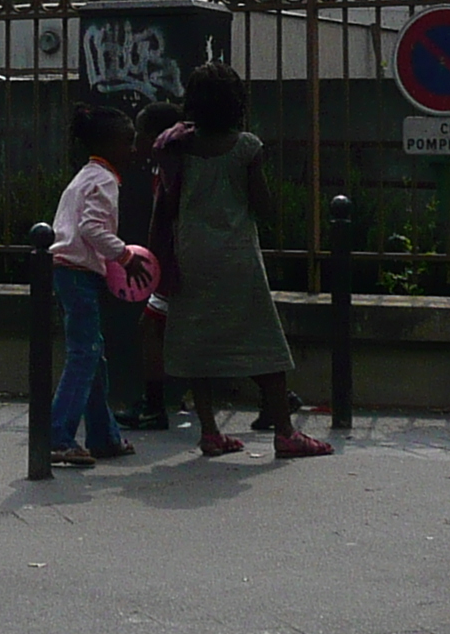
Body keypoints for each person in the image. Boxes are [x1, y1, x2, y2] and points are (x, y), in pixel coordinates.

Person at [154, 63, 330, 459]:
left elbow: (167, 201)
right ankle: (285, 431)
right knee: (262, 336)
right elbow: (262, 205)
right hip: (236, 255)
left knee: (197, 339)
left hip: (190, 252)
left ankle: (211, 432)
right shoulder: (246, 147)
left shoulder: (179, 147)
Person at [46, 105, 140, 467]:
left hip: (65, 270)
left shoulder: (85, 175)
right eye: (128, 143)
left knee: (92, 354)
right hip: (79, 272)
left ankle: (103, 436)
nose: (133, 150)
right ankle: (57, 436)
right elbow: (92, 229)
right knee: (84, 354)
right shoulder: (103, 181)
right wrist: (124, 256)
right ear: (111, 145)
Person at [111, 99, 185, 431]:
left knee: (152, 328)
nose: (136, 141)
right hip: (177, 262)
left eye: (140, 133)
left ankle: (154, 406)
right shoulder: (165, 166)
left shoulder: (169, 165)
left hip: (177, 263)